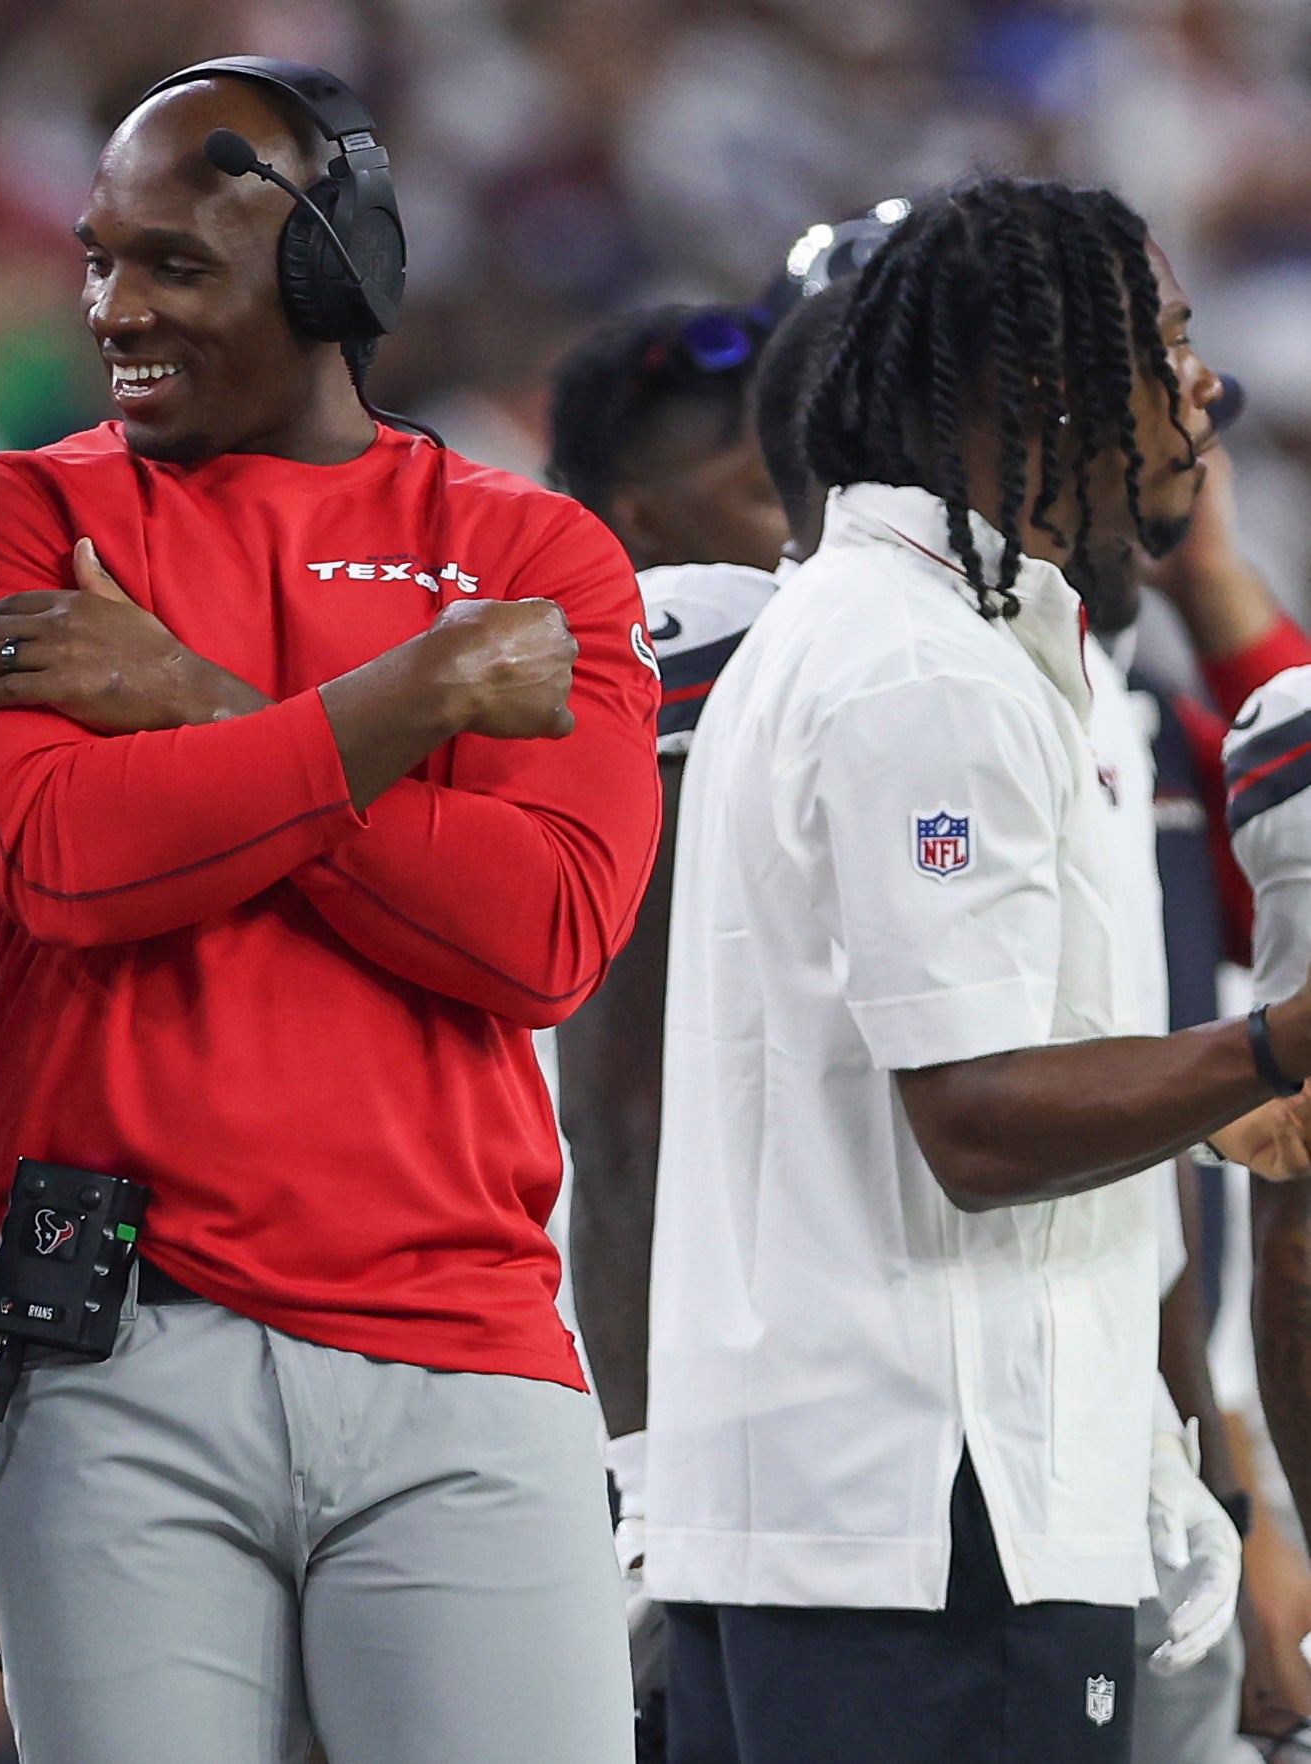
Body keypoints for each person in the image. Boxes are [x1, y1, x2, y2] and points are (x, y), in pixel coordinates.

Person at [0, 58, 655, 1764]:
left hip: (461, 1348)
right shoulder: (16, 516)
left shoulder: (536, 556)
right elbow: (70, 864)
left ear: (333, 270)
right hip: (119, 1349)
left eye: (172, 262)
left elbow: (536, 932)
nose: (111, 308)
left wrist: (181, 699)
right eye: (96, 258)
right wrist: (422, 696)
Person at [646, 176, 1273, 1764]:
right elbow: (978, 1119)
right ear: (1052, 380)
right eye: (1171, 344)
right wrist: (1273, 1050)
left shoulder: (887, 627)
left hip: (843, 1505)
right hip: (932, 1517)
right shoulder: (926, 663)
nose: (1201, 389)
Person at [540, 294, 796, 1750]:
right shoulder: (692, 626)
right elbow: (621, 1107)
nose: (798, 516)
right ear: (638, 509)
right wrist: (644, 1452)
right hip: (634, 1390)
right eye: (762, 485)